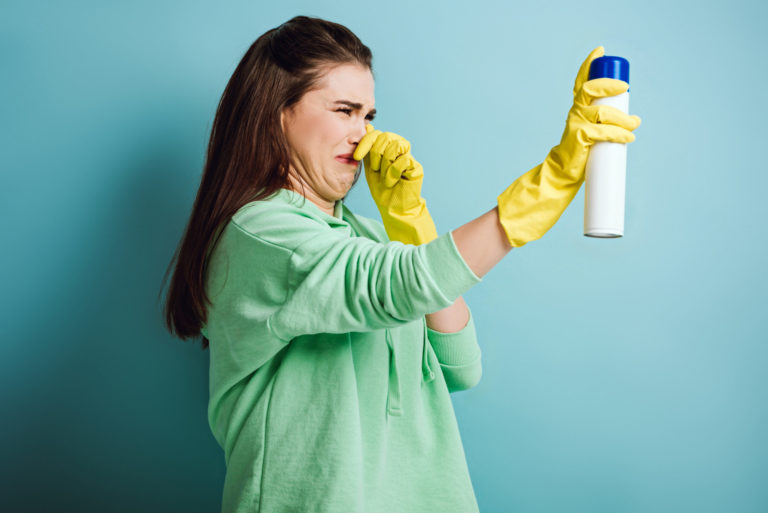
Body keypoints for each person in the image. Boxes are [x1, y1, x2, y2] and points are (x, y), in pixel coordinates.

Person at [161, 15, 641, 513]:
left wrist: (409, 223)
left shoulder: (368, 239)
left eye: (368, 116)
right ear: (277, 113)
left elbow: (460, 365)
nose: (362, 134)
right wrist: (550, 184)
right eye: (344, 110)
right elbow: (396, 284)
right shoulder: (262, 233)